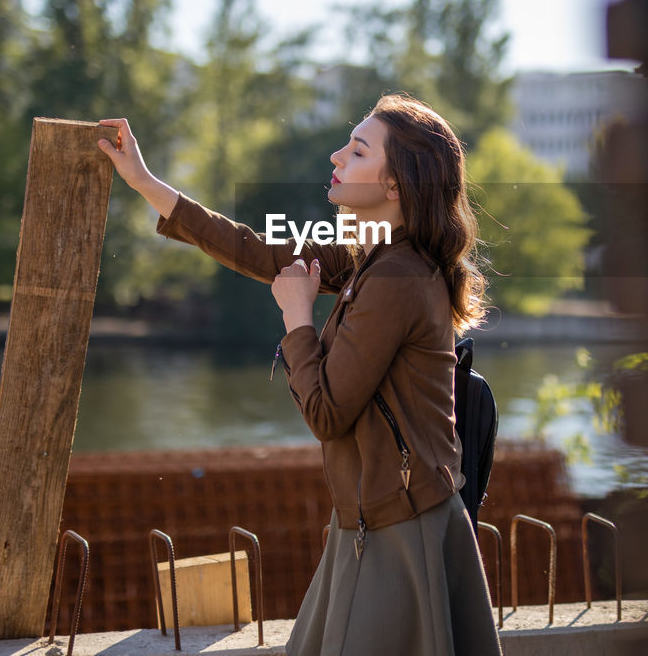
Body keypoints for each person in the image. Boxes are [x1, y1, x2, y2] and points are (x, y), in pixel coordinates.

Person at [96, 94, 503, 656]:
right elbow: (257, 248)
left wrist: (296, 318)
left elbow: (328, 413)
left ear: (394, 186)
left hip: (397, 534)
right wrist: (144, 181)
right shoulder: (374, 254)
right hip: (369, 523)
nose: (336, 156)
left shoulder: (398, 278)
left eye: (357, 150)